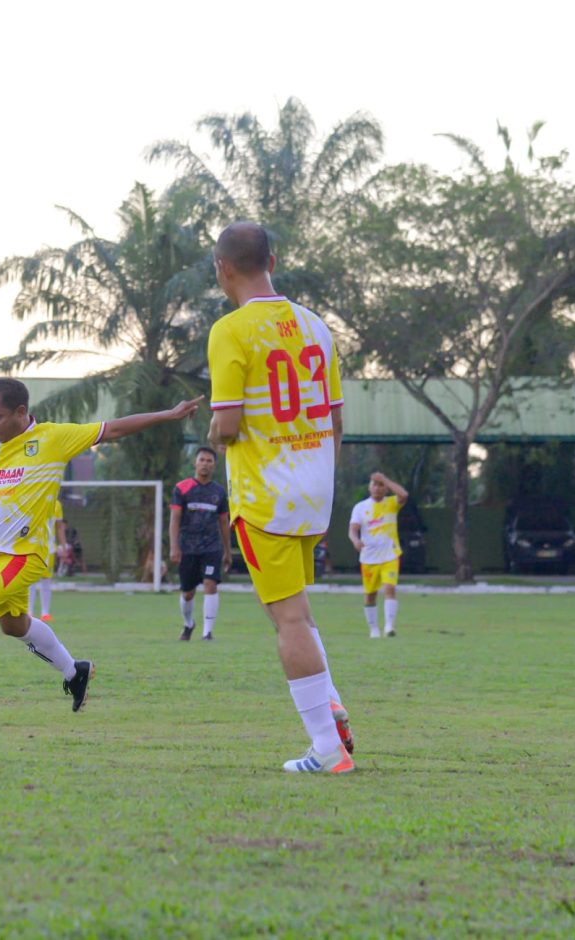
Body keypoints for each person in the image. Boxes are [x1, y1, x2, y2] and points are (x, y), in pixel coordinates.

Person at [0, 377, 202, 712]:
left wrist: (168, 415)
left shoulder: (52, 439)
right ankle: (75, 671)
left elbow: (111, 429)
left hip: (24, 555)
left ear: (20, 412)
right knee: (14, 626)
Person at [208, 221, 354, 774]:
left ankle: (327, 750)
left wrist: (211, 436)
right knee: (294, 608)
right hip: (313, 489)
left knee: (287, 618)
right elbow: (336, 419)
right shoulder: (316, 326)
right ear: (274, 258)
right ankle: (331, 701)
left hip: (265, 490)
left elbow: (226, 424)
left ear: (223, 269)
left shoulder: (231, 329)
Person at [169, 447, 232, 641]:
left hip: (212, 547)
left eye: (209, 461)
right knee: (188, 593)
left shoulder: (219, 492)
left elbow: (223, 521)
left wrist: (227, 551)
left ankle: (207, 632)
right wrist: (174, 546)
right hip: (187, 547)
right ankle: (188, 623)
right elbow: (175, 519)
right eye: (202, 460)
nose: (205, 463)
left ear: (214, 465)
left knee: (210, 584)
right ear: (195, 463)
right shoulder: (182, 488)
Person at [349, 472, 409, 638]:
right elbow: (352, 530)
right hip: (369, 558)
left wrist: (386, 479)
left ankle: (389, 626)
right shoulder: (360, 508)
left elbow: (404, 494)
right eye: (374, 484)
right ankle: (373, 628)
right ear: (369, 487)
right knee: (370, 595)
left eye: (380, 484)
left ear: (385, 488)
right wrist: (355, 541)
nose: (377, 487)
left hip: (390, 555)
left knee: (390, 588)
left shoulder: (391, 503)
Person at [28, 502, 66, 622]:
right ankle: (29, 612)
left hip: (48, 549)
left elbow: (59, 527)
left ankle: (45, 613)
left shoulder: (56, 504)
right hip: (31, 547)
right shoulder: (32, 499)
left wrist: (63, 546)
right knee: (30, 580)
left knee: (46, 579)